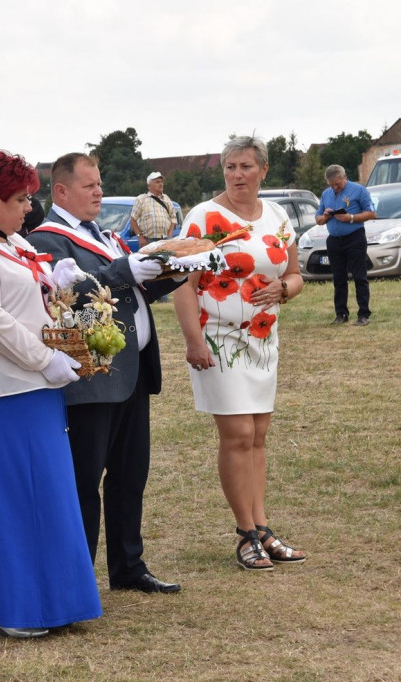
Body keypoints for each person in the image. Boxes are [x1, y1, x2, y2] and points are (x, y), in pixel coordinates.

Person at [0, 150, 101, 638]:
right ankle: (17, 606)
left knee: (45, 496)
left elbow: (21, 299)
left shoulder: (5, 239)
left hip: (26, 388)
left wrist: (56, 289)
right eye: (21, 198)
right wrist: (43, 358)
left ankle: (48, 600)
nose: (29, 208)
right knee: (12, 500)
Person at [27, 152, 183, 595]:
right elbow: (69, 291)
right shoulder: (47, 238)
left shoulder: (105, 234)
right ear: (61, 192)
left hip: (130, 371)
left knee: (130, 474)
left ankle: (128, 566)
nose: (98, 191)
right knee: (84, 480)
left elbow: (130, 288)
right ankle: (78, 575)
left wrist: (177, 270)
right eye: (88, 185)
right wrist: (125, 268)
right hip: (91, 378)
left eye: (99, 183)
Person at [173, 136, 307, 571]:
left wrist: (284, 289)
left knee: (259, 436)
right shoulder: (203, 218)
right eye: (230, 167)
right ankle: (245, 533)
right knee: (238, 436)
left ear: (263, 170)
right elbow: (184, 286)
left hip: (263, 339)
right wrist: (193, 341)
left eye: (245, 166)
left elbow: (294, 274)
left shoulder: (278, 214)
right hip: (219, 342)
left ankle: (263, 526)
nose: (236, 175)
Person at [316, 164, 376, 326]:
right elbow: (318, 219)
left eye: (338, 184)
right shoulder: (326, 194)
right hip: (334, 240)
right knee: (338, 278)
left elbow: (371, 213)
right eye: (332, 185)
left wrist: (350, 218)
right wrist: (326, 216)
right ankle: (341, 313)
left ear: (345, 177)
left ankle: (363, 314)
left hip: (354, 237)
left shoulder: (359, 190)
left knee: (359, 276)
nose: (335, 187)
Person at [130, 172, 178, 247]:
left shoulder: (166, 199)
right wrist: (140, 237)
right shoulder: (141, 199)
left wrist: (170, 235)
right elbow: (133, 220)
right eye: (157, 182)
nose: (161, 184)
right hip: (148, 241)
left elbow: (173, 218)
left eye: (162, 182)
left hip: (165, 240)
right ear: (149, 185)